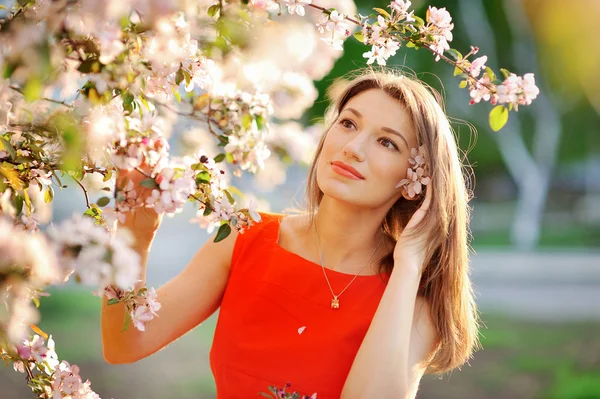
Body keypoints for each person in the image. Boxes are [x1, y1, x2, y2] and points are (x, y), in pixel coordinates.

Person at [101, 68, 481, 399]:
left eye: (387, 142)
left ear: (415, 181)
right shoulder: (244, 237)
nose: (352, 148)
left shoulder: (415, 300)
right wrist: (134, 236)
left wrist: (410, 264)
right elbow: (124, 343)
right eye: (348, 123)